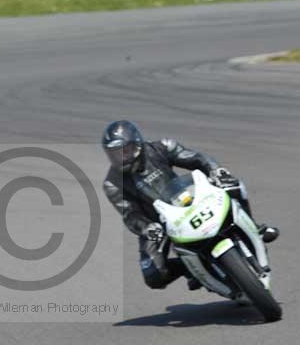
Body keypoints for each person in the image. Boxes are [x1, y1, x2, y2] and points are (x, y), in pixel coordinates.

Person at [102, 120, 279, 290]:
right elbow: (129, 214)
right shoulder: (112, 184)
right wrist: (147, 227)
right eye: (114, 155)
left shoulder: (161, 147)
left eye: (124, 151)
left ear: (137, 145)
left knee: (234, 185)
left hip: (187, 197)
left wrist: (215, 171)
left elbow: (195, 158)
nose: (120, 159)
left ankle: (255, 228)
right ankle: (191, 267)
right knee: (153, 276)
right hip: (157, 223)